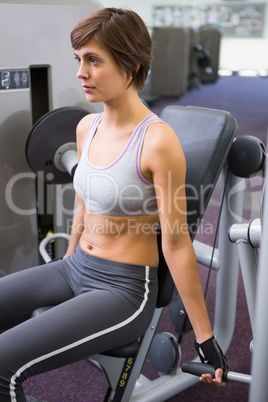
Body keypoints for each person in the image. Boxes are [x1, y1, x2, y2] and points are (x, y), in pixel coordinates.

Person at [0, 8, 228, 401]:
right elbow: (85, 207)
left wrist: (205, 338)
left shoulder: (157, 141)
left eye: (93, 60)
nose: (80, 72)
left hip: (122, 289)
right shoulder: (87, 127)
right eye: (79, 59)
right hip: (75, 268)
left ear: (130, 65)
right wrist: (64, 271)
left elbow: (176, 243)